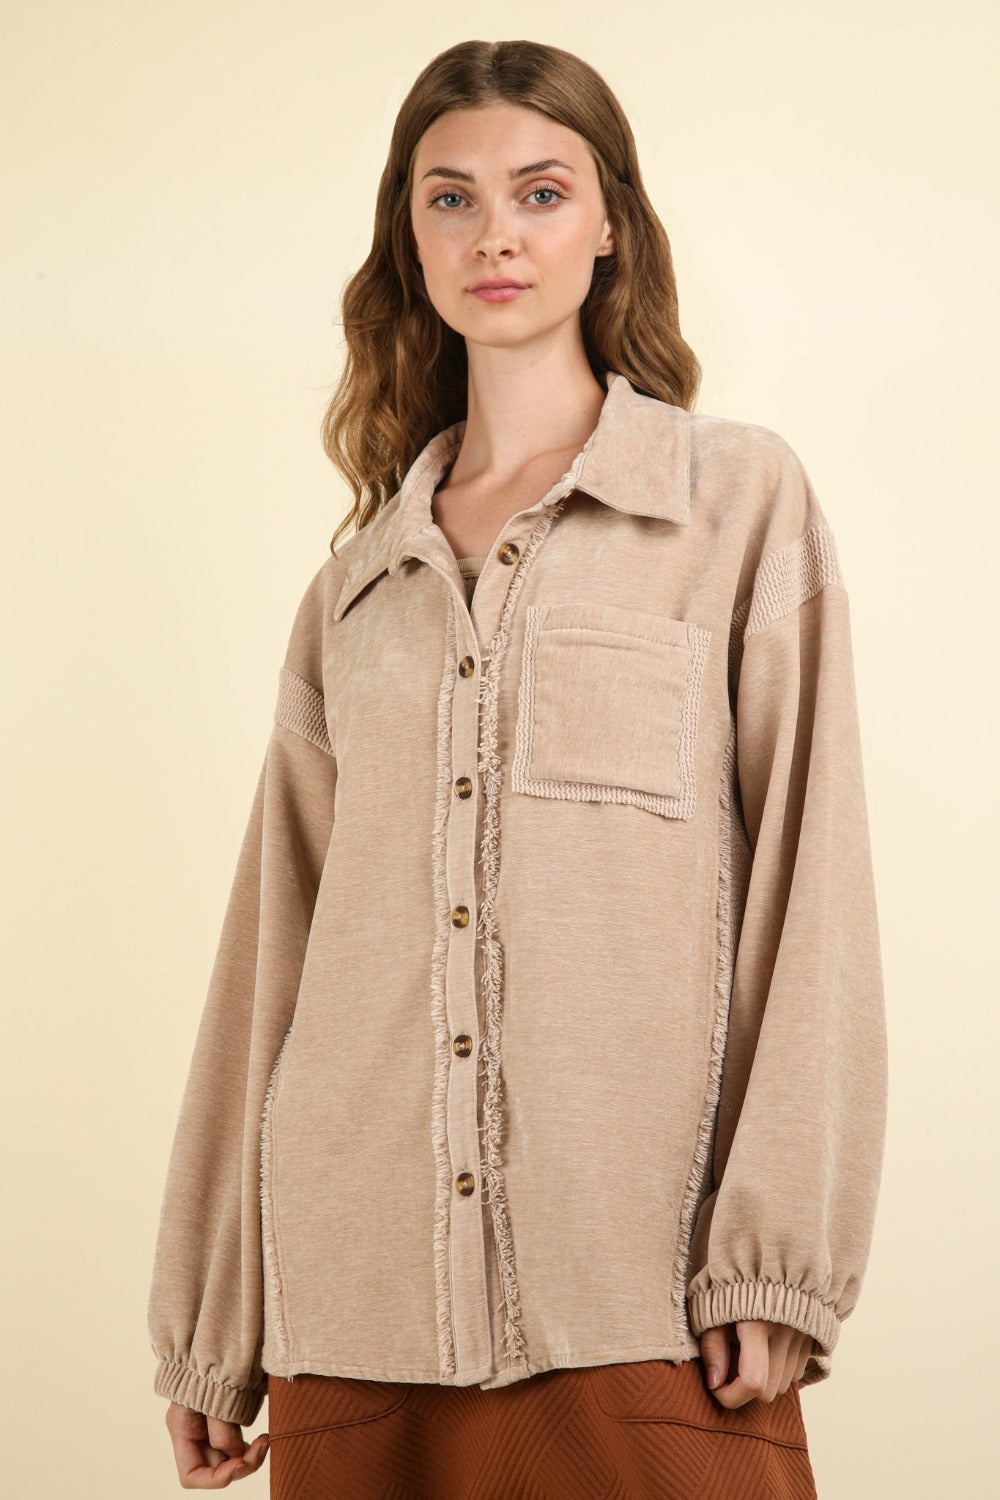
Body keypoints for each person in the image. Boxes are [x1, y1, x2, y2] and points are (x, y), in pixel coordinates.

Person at [147, 37, 888, 1499]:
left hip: (638, 1290)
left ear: (609, 220)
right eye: (451, 200)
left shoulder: (735, 508)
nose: (496, 233)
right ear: (405, 238)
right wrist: (213, 1325)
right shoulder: (355, 589)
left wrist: (777, 1253)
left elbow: (817, 887)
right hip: (356, 1318)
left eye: (540, 192)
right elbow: (270, 961)